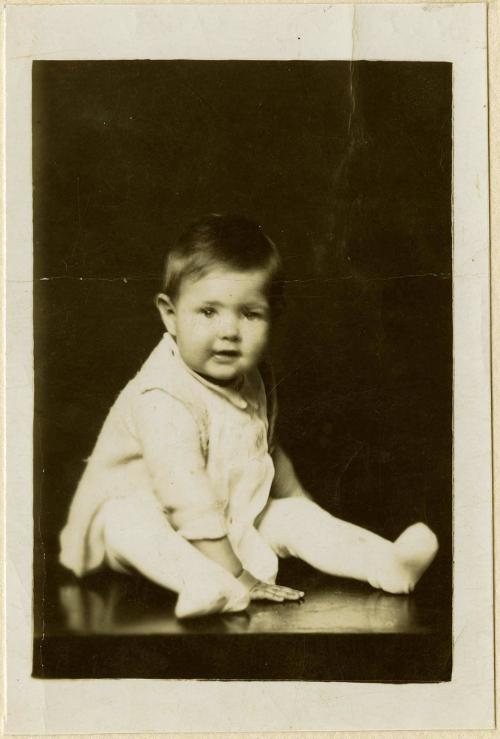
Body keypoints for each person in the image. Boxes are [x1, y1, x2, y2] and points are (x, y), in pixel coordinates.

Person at [59, 214, 439, 619]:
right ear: (170, 315)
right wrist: (242, 577)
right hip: (154, 520)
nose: (229, 331)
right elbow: (184, 498)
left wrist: (304, 511)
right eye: (208, 312)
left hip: (225, 515)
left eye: (249, 314)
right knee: (128, 521)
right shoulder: (162, 395)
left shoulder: (250, 376)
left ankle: (387, 563)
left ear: (272, 317)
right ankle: (204, 582)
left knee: (290, 516)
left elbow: (266, 449)